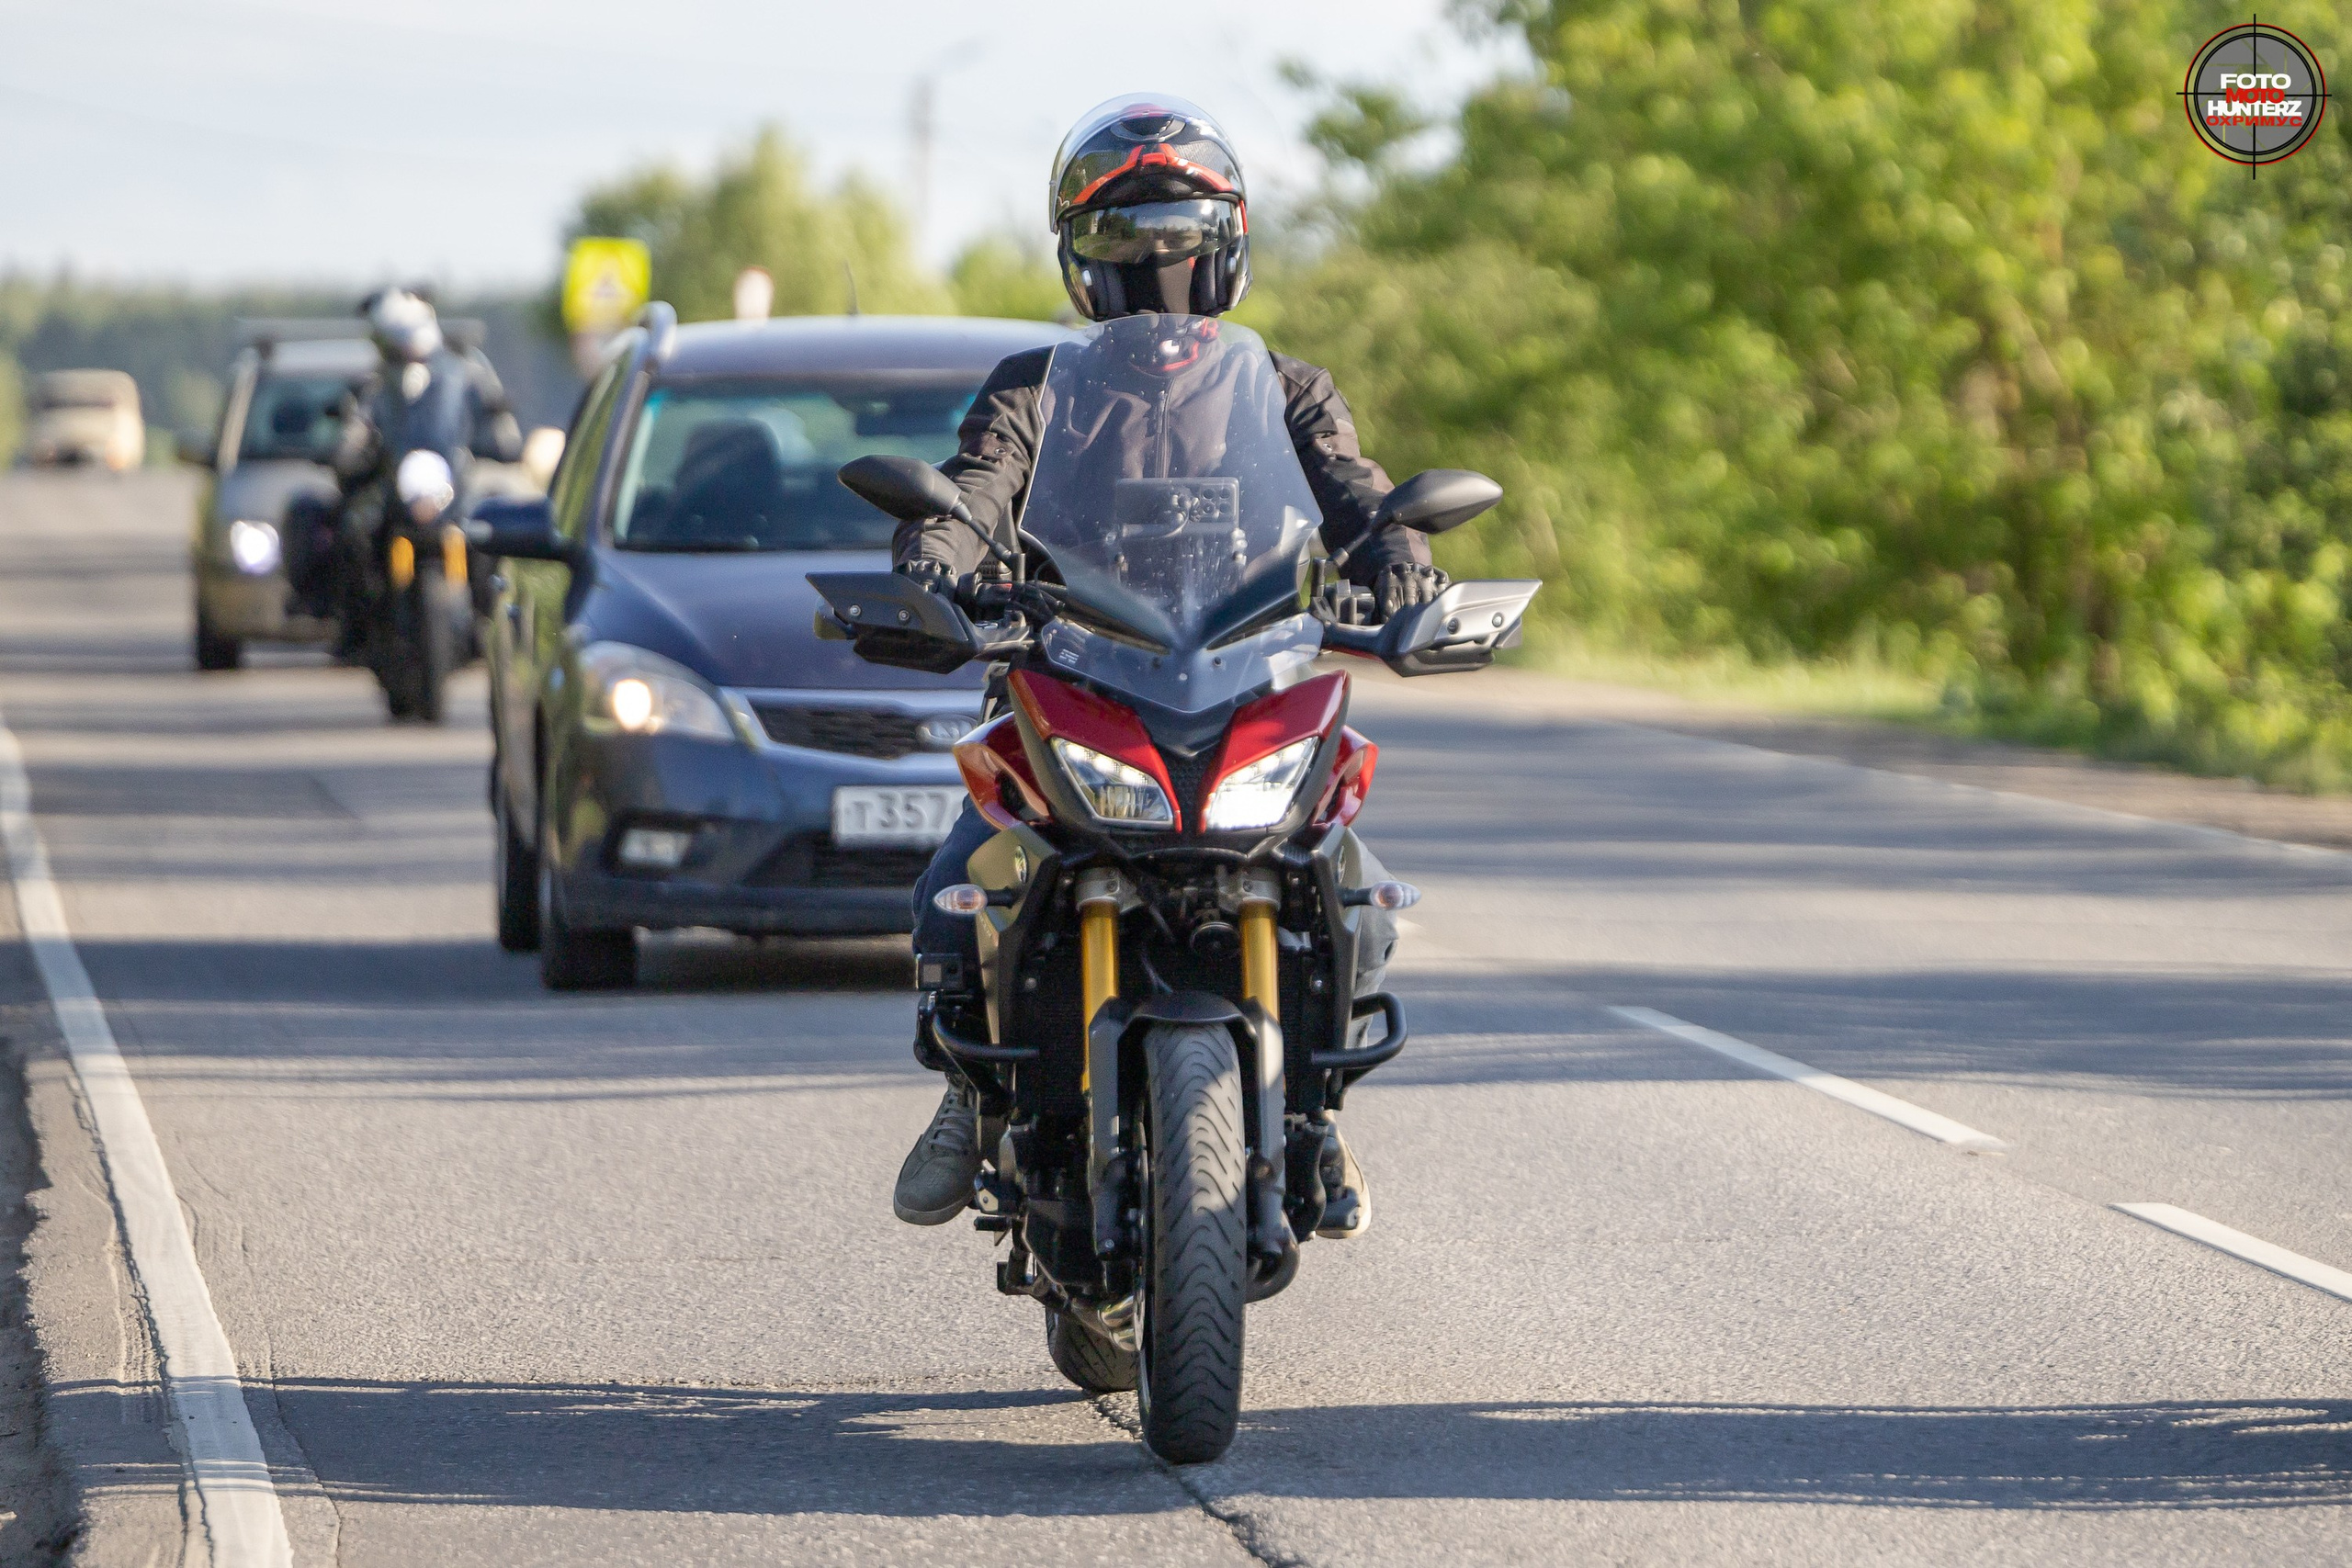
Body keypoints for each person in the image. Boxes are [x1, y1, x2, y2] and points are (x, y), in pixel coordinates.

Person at [891, 95, 1445, 1234]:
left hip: (1244, 672)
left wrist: (1396, 556)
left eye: (1184, 250)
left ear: (1225, 253)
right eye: (1124, 252)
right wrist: (938, 557)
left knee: (1353, 880)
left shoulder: (1286, 389)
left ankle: (1319, 1109)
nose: (1159, 281)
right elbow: (978, 484)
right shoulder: (1034, 386)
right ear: (1081, 266)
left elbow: (1355, 491)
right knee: (954, 881)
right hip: (1075, 672)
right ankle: (968, 1092)